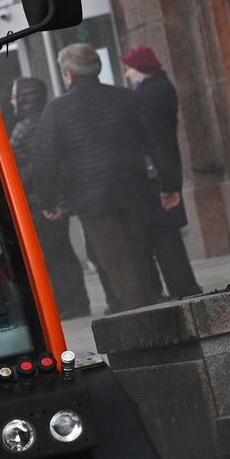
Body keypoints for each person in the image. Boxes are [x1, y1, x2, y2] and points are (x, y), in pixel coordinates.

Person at [28, 42, 172, 313]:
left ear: (68, 74)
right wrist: (169, 183)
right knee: (141, 255)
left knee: (115, 261)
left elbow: (43, 159)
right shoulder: (128, 98)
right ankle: (152, 309)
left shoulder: (58, 111)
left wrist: (48, 202)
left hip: (92, 199)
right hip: (134, 189)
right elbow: (157, 142)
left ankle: (140, 318)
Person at [121, 45, 202, 299]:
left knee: (165, 237)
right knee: (165, 236)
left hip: (157, 174)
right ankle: (183, 286)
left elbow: (157, 140)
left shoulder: (150, 95)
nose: (126, 74)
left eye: (129, 68)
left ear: (141, 69)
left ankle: (183, 287)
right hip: (161, 172)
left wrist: (168, 185)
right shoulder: (155, 90)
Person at [9, 76, 92, 318]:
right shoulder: (39, 122)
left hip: (44, 202)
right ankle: (73, 302)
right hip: (47, 199)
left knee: (56, 254)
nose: (12, 101)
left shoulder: (29, 127)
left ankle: (71, 303)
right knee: (59, 252)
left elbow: (40, 165)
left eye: (16, 95)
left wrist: (18, 177)